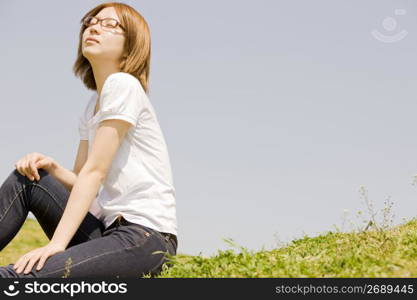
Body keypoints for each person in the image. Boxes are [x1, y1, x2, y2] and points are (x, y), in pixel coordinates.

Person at [0, 2, 178, 278]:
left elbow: (95, 172)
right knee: (28, 180)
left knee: (17, 278)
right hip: (107, 233)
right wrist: (53, 169)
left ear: (131, 44)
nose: (93, 26)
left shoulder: (124, 85)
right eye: (91, 21)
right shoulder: (93, 104)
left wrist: (56, 245)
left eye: (109, 24)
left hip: (145, 238)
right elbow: (83, 180)